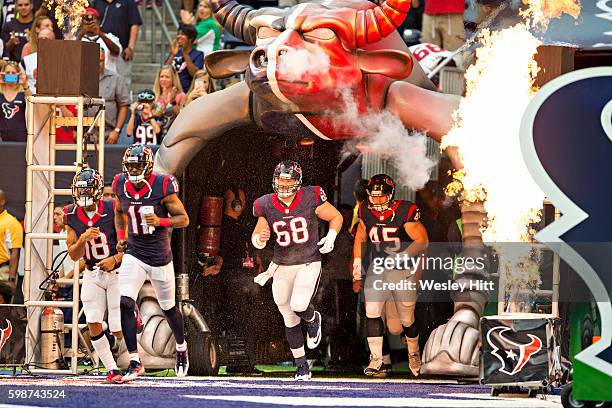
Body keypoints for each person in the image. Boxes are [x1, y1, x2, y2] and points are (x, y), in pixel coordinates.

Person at [251, 161, 343, 380]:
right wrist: (259, 239)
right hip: (282, 264)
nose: (283, 185)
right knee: (288, 316)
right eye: (280, 180)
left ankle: (313, 319)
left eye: (288, 180)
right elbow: (259, 233)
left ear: (297, 182)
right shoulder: (264, 203)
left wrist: (331, 236)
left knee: (299, 305)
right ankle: (301, 365)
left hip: (308, 261)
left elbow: (336, 216)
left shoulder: (311, 196)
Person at [113, 144, 190, 381]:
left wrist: (160, 221)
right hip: (134, 253)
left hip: (159, 257)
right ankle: (135, 362)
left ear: (147, 167)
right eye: (131, 166)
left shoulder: (162, 185)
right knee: (125, 302)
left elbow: (184, 219)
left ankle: (181, 347)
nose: (134, 170)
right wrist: (122, 238)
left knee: (169, 308)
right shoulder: (120, 184)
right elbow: (118, 211)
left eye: (138, 165)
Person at [352, 174, 428, 377]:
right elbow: (361, 234)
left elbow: (422, 241)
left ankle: (413, 351)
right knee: (372, 310)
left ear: (391, 194)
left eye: (381, 196)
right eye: (373, 196)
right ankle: (376, 359)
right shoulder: (365, 210)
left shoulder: (405, 211)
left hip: (402, 270)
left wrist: (402, 256)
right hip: (378, 268)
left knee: (402, 322)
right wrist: (357, 262)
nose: (376, 201)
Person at [64, 168, 124, 383]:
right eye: (80, 191)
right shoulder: (71, 213)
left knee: (117, 328)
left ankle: (131, 320)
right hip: (92, 272)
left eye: (87, 190)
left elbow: (132, 245)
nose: (83, 195)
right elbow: (73, 254)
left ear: (98, 191)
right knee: (93, 321)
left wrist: (116, 259)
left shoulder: (113, 208)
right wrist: (83, 240)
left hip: (117, 271)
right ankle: (112, 369)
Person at [202, 185, 260, 373]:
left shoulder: (236, 225)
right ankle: (241, 362)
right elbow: (221, 255)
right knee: (241, 321)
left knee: (243, 321)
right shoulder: (226, 226)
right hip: (234, 281)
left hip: (241, 279)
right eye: (240, 201)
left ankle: (242, 362)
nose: (242, 205)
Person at [90, 0, 142, 90]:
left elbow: (135, 24)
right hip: (100, 51)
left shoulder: (128, 2)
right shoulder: (96, 2)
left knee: (123, 84)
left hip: (121, 52)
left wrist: (130, 47)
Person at [89, 50, 130, 144]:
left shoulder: (116, 78)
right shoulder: (80, 78)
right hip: (83, 133)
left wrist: (117, 130)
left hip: (108, 134)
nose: (98, 64)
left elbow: (124, 106)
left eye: (101, 60)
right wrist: (73, 131)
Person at [78, 8, 122, 73]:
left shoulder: (110, 37)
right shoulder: (76, 39)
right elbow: (71, 56)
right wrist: (81, 34)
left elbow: (116, 52)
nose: (90, 22)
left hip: (107, 78)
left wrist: (100, 33)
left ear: (98, 22)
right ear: (81, 22)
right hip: (84, 78)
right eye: (86, 19)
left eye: (92, 19)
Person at [165, 24, 204, 93]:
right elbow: (165, 70)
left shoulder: (198, 54)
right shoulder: (175, 52)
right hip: (171, 90)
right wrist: (173, 54)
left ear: (191, 38)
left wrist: (185, 53)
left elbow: (195, 74)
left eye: (182, 34)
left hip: (186, 91)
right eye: (178, 34)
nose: (179, 36)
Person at [0, 61, 31, 142]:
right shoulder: (0, 93)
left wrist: (24, 84)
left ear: (18, 75)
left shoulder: (23, 93)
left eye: (13, 73)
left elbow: (31, 103)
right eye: (7, 72)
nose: (10, 74)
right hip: (2, 138)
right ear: (3, 74)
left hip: (20, 136)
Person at [0, 189, 22, 298]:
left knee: (3, 310)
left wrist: (11, 278)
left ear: (2, 201)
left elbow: (15, 251)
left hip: (3, 271)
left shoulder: (11, 222)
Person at [152, 66, 184, 139]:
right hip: (156, 136)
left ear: (173, 79)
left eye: (167, 77)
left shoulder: (180, 96)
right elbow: (154, 115)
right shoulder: (155, 96)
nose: (163, 79)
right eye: (162, 76)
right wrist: (165, 103)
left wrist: (173, 102)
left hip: (173, 135)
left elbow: (182, 117)